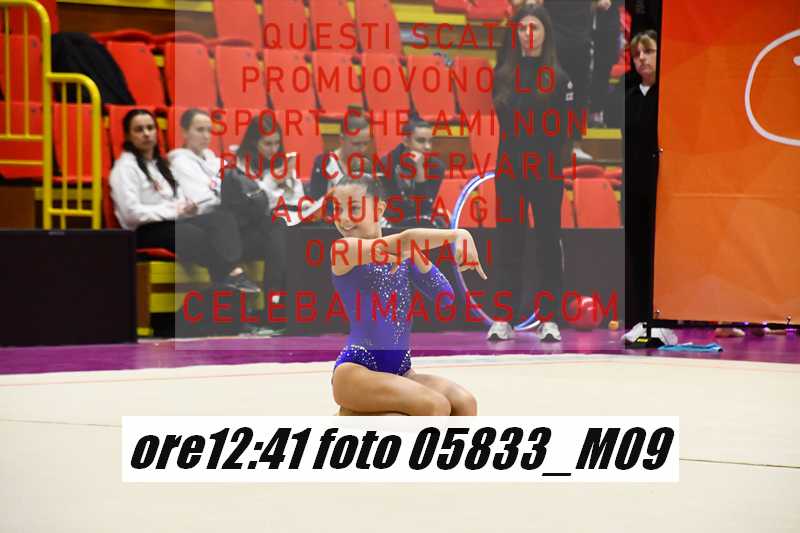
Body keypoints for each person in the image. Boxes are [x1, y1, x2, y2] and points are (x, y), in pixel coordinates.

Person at [329, 173, 484, 416]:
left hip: (401, 369)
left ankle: (351, 415)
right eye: (338, 209)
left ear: (379, 209)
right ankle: (353, 412)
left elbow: (445, 296)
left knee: (465, 403)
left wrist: (413, 255)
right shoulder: (342, 249)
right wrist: (457, 235)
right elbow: (404, 240)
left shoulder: (404, 253)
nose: (344, 218)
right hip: (357, 370)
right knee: (435, 405)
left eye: (354, 208)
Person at [488, 4, 572, 343]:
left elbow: (563, 132)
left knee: (548, 242)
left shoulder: (560, 79)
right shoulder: (503, 75)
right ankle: (503, 317)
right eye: (522, 28)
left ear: (545, 33)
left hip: (546, 172)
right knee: (509, 242)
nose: (528, 34)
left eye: (534, 27)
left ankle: (549, 318)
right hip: (510, 171)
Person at [109, 108, 259, 292]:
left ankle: (228, 276)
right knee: (196, 234)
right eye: (139, 130)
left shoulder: (159, 165)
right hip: (145, 231)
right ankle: (232, 274)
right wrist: (172, 211)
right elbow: (130, 214)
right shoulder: (124, 168)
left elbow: (177, 198)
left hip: (172, 222)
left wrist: (187, 207)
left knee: (222, 219)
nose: (146, 133)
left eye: (150, 128)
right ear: (128, 135)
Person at [223, 113, 291, 309]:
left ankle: (283, 301)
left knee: (294, 232)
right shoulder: (236, 169)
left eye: (277, 143)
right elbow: (249, 210)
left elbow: (293, 198)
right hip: (243, 236)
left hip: (273, 230)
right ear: (253, 143)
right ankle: (274, 301)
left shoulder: (282, 164)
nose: (273, 149)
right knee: (278, 226)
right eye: (267, 144)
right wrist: (271, 185)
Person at [623, 30, 660, 334]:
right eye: (637, 55)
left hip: (661, 186)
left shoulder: (668, 95)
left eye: (648, 52)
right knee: (635, 253)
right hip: (635, 186)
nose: (642, 59)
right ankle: (637, 317)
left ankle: (660, 316)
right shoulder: (629, 97)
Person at [379, 117, 444, 227]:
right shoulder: (386, 164)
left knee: (436, 222)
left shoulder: (436, 167)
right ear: (406, 141)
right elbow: (391, 209)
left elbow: (424, 208)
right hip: (393, 222)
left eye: (430, 141)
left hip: (421, 221)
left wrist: (420, 172)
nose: (428, 147)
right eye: (421, 141)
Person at [168, 108, 222, 215]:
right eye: (200, 130)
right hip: (204, 219)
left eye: (209, 130)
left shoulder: (214, 160)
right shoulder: (180, 162)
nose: (206, 136)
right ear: (184, 132)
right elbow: (201, 202)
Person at [308, 112, 373, 202]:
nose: (362, 149)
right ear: (342, 139)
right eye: (356, 144)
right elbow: (316, 203)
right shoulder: (324, 163)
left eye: (365, 143)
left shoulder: (367, 165)